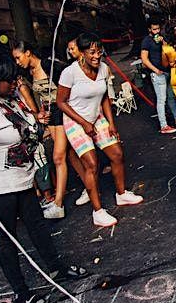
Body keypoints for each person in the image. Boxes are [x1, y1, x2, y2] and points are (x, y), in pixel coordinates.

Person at [0, 51, 88, 303]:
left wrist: (36, 120)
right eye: (10, 80)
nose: (15, 84)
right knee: (7, 236)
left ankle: (57, 269)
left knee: (37, 225)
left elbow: (18, 123)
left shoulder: (9, 95)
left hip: (19, 177)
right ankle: (21, 292)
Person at [56, 33, 143, 227]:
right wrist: (84, 123)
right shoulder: (70, 73)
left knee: (117, 154)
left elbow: (104, 97)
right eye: (92, 52)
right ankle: (98, 211)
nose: (97, 56)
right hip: (74, 121)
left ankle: (121, 194)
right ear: (82, 53)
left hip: (97, 118)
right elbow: (60, 102)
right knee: (91, 164)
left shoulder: (103, 68)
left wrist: (111, 123)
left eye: (99, 51)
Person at [12, 41, 86, 219]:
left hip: (63, 111)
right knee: (69, 155)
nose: (17, 61)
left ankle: (58, 204)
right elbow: (42, 96)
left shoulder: (49, 65)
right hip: (51, 115)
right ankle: (90, 188)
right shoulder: (27, 73)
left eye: (18, 57)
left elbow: (71, 83)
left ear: (28, 53)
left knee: (58, 157)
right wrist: (41, 112)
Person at [141, 17, 176, 134]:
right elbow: (144, 59)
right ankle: (163, 125)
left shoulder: (162, 38)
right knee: (161, 100)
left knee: (171, 97)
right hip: (157, 74)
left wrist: (163, 42)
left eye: (158, 29)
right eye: (154, 29)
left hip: (167, 71)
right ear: (149, 29)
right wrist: (155, 70)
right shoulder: (147, 41)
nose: (156, 31)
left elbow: (168, 52)